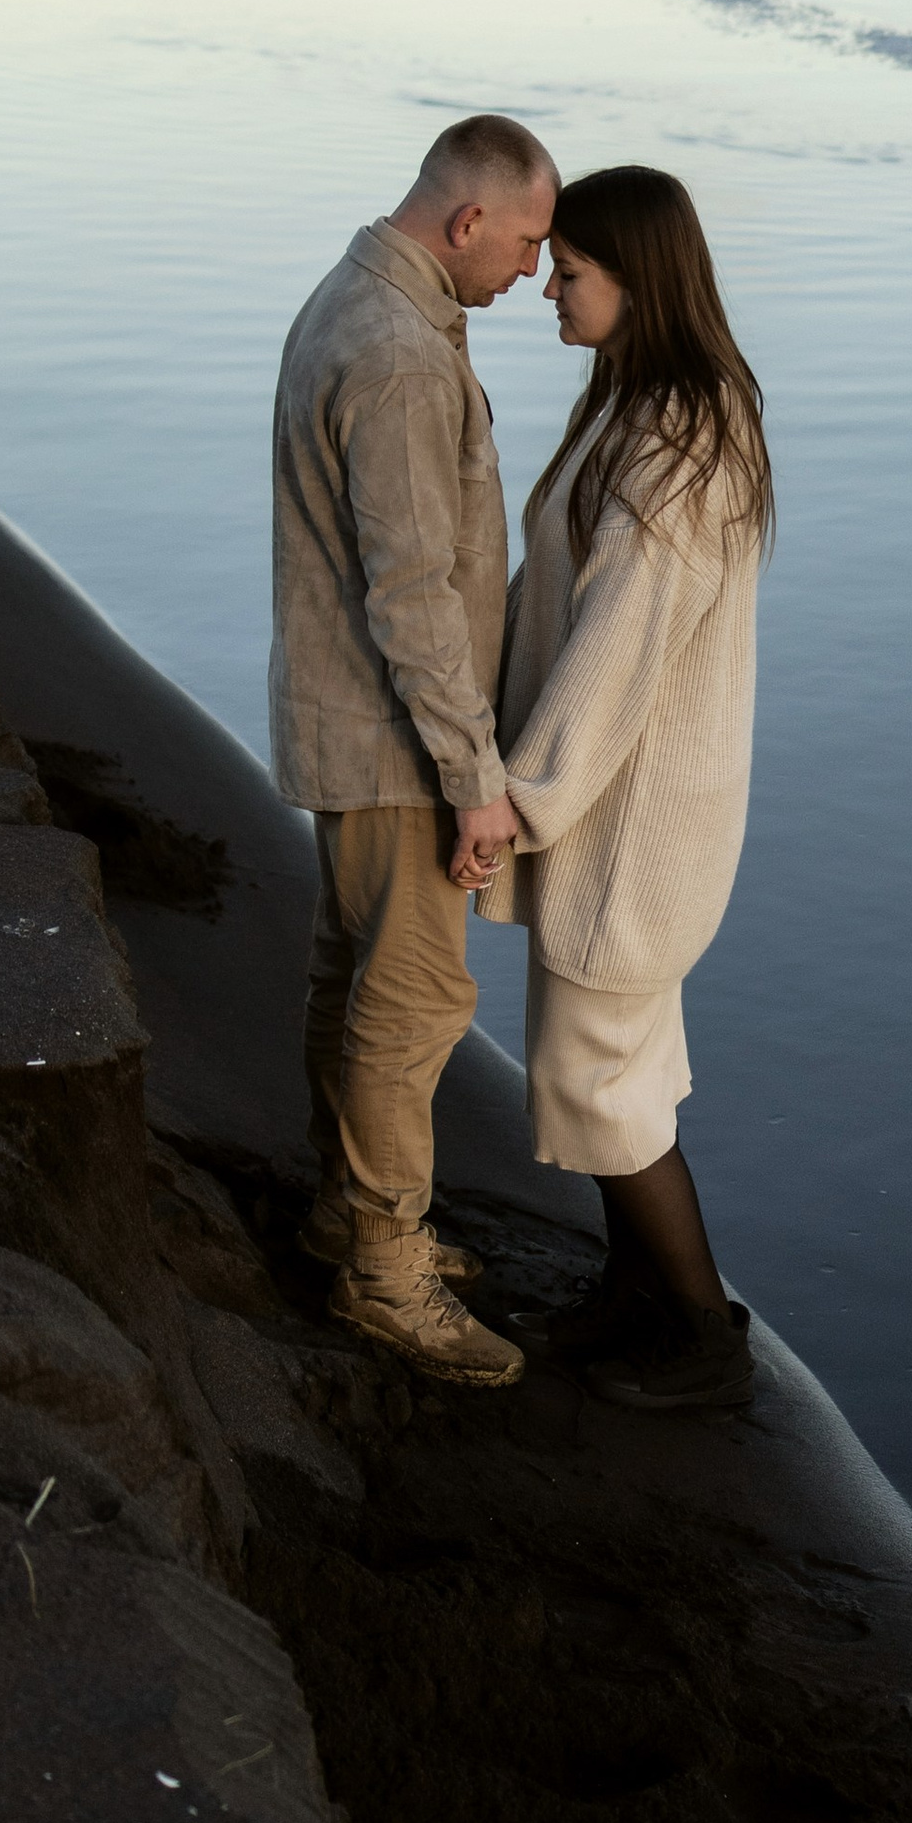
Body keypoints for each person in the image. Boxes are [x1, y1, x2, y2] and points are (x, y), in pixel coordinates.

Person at [460, 164, 772, 1410]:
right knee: (612, 1065)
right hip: (616, 798)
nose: (546, 283)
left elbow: (617, 648)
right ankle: (633, 1292)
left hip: (632, 814)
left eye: (571, 268)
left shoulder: (679, 441)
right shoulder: (642, 401)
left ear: (637, 278)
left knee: (604, 1079)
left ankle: (701, 1334)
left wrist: (516, 796)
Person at [270, 114, 557, 1385]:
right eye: (529, 240)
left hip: (350, 718)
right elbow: (412, 594)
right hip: (394, 739)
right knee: (414, 1003)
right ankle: (383, 1275)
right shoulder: (396, 354)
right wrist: (476, 778)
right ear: (466, 221)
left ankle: (346, 1209)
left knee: (352, 978)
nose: (536, 271)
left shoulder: (366, 301)